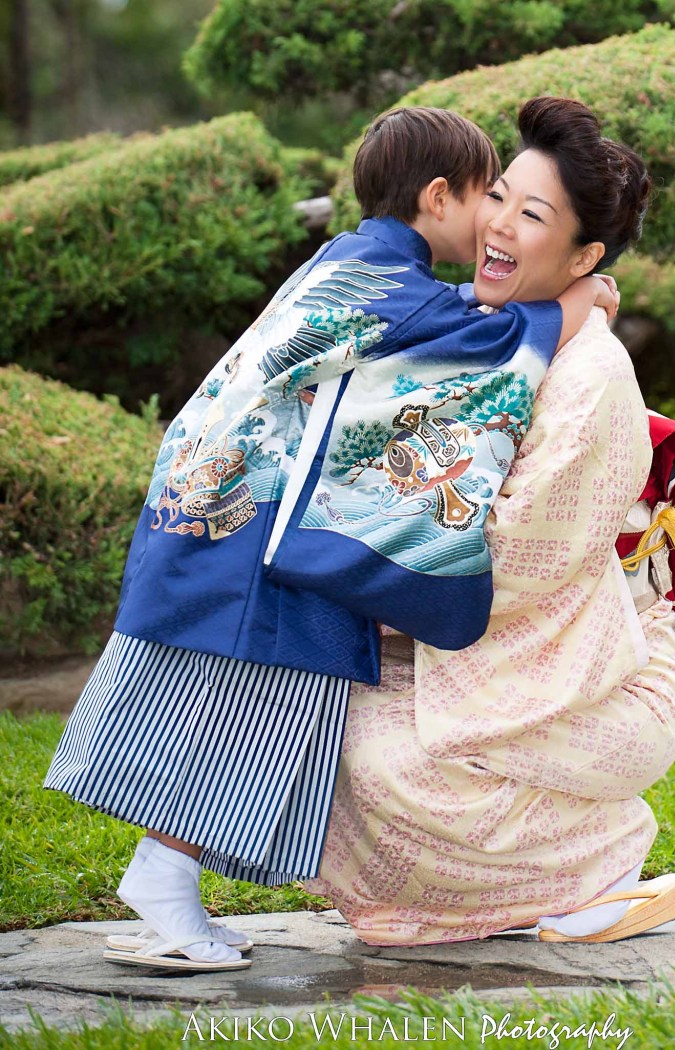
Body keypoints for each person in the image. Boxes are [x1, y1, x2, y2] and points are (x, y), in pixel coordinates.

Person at [44, 106, 615, 972]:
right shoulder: (390, 286)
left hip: (220, 523)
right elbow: (488, 336)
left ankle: (163, 881)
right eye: (486, 194)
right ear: (437, 197)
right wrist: (581, 300)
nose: (495, 219)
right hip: (258, 551)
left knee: (217, 719)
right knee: (240, 723)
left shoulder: (352, 266)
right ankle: (164, 883)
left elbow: (434, 319)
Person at [307, 97, 675, 946]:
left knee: (370, 761)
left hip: (592, 680)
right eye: (499, 197)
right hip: (487, 658)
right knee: (316, 725)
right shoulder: (478, 322)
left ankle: (601, 861)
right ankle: (512, 888)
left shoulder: (594, 374)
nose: (499, 225)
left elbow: (518, 561)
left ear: (586, 256)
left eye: (532, 214)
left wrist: (358, 558)